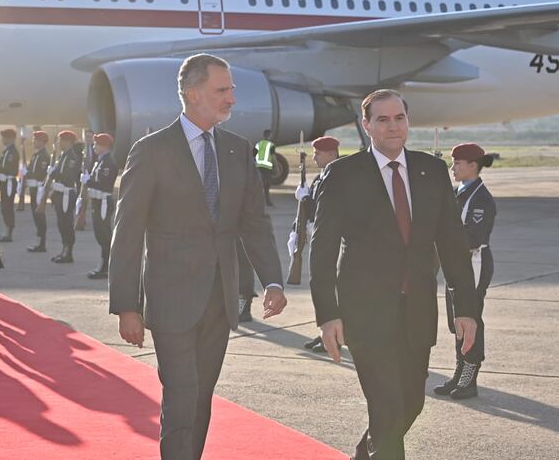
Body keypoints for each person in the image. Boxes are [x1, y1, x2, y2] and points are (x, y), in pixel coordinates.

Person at [109, 53, 287, 460]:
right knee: (182, 396)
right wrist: (126, 305)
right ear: (193, 94)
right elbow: (128, 232)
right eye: (221, 90)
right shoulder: (151, 150)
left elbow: (254, 223)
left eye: (232, 90)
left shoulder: (239, 151)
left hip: (218, 301)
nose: (231, 99)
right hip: (170, 299)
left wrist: (272, 280)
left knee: (201, 398)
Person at [309, 89, 478, 460]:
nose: (392, 126)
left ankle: (364, 454)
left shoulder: (431, 171)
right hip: (365, 313)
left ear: (408, 122)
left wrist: (466, 307)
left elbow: (452, 245)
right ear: (367, 126)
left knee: (411, 403)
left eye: (399, 118)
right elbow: (321, 251)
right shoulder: (342, 174)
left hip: (416, 310)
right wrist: (328, 314)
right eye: (382, 119)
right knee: (386, 407)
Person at [434, 143, 496, 400]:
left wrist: (444, 237)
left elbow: (472, 236)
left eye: (458, 163)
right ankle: (460, 370)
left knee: (470, 317)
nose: (453, 167)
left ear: (473, 165)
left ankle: (470, 376)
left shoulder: (481, 198)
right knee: (456, 319)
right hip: (456, 263)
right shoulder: (456, 192)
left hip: (473, 263)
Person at [296, 135, 339, 352]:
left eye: (318, 153)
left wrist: (305, 199)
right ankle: (325, 329)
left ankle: (334, 335)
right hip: (317, 237)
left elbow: (326, 208)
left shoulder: (338, 176)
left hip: (332, 242)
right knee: (318, 285)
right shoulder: (320, 177)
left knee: (329, 287)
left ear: (331, 154)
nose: (314, 157)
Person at [81, 133, 118, 279]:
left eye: (97, 144)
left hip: (103, 202)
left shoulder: (108, 162)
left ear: (104, 146)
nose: (94, 146)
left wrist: (88, 181)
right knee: (100, 234)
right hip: (97, 201)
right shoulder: (100, 161)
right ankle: (104, 264)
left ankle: (106, 266)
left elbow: (104, 184)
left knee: (104, 236)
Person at [49, 130, 82, 263]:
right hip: (59, 193)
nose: (59, 143)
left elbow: (68, 176)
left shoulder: (72, 158)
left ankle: (68, 252)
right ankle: (64, 249)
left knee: (66, 224)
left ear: (68, 141)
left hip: (67, 194)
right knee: (61, 223)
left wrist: (54, 173)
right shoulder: (62, 156)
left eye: (61, 140)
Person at [24, 130, 51, 252]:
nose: (33, 142)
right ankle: (39, 241)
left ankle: (42, 243)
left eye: (36, 140)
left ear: (42, 141)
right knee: (36, 216)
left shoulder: (44, 156)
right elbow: (31, 170)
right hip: (33, 188)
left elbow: (41, 173)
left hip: (39, 188)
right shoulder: (36, 155)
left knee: (39, 216)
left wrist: (30, 175)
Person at [0, 129, 19, 242]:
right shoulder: (6, 151)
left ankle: (9, 232)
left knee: (7, 207)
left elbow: (9, 167)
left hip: (8, 181)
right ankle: (8, 230)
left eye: (5, 137)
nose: (3, 140)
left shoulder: (12, 152)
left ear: (11, 139)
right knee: (4, 207)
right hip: (4, 181)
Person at [254, 129, 275, 207]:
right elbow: (274, 158)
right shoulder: (271, 145)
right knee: (266, 186)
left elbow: (253, 155)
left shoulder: (258, 144)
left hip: (259, 167)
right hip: (267, 167)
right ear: (269, 135)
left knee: (260, 185)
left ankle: (258, 202)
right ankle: (267, 202)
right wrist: (276, 167)